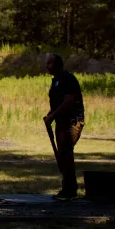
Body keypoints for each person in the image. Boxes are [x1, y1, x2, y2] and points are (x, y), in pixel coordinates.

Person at [44, 53, 85, 200]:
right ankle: (67, 188)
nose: (47, 66)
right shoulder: (56, 81)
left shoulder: (68, 79)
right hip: (61, 121)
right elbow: (57, 103)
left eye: (49, 63)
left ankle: (70, 191)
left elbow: (69, 101)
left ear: (57, 65)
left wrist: (52, 116)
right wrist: (50, 114)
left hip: (73, 121)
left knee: (65, 153)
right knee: (62, 153)